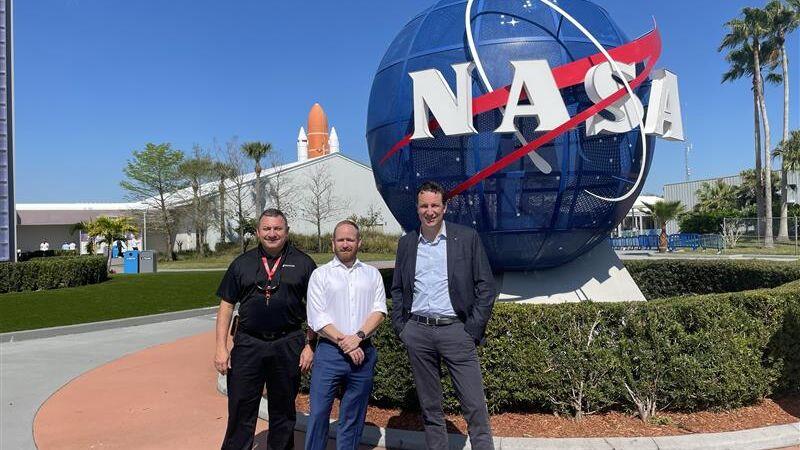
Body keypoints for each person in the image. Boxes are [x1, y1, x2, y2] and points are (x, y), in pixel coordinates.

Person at [390, 181, 497, 450]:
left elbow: (486, 286)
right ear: (417, 209)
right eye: (424, 206)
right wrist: (403, 328)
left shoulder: (466, 238)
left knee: (474, 406)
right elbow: (398, 288)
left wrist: (472, 328)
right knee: (430, 408)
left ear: (445, 207)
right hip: (418, 332)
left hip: (456, 332)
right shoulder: (406, 243)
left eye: (435, 205)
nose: (430, 211)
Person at [214, 208, 317, 450]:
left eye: (277, 228)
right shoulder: (241, 264)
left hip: (287, 343)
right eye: (267, 229)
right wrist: (221, 348)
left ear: (287, 231)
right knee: (240, 408)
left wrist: (310, 345)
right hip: (248, 344)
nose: (272, 234)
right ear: (258, 232)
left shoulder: (304, 264)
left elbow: (317, 309)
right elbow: (226, 306)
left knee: (283, 410)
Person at [304, 220, 387, 450]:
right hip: (330, 353)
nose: (345, 244)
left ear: (359, 242)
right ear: (333, 243)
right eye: (340, 239)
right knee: (319, 413)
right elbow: (317, 317)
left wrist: (358, 337)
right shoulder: (320, 275)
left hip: (363, 353)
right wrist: (345, 342)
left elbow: (379, 311)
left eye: (350, 239)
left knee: (353, 416)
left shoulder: (372, 275)